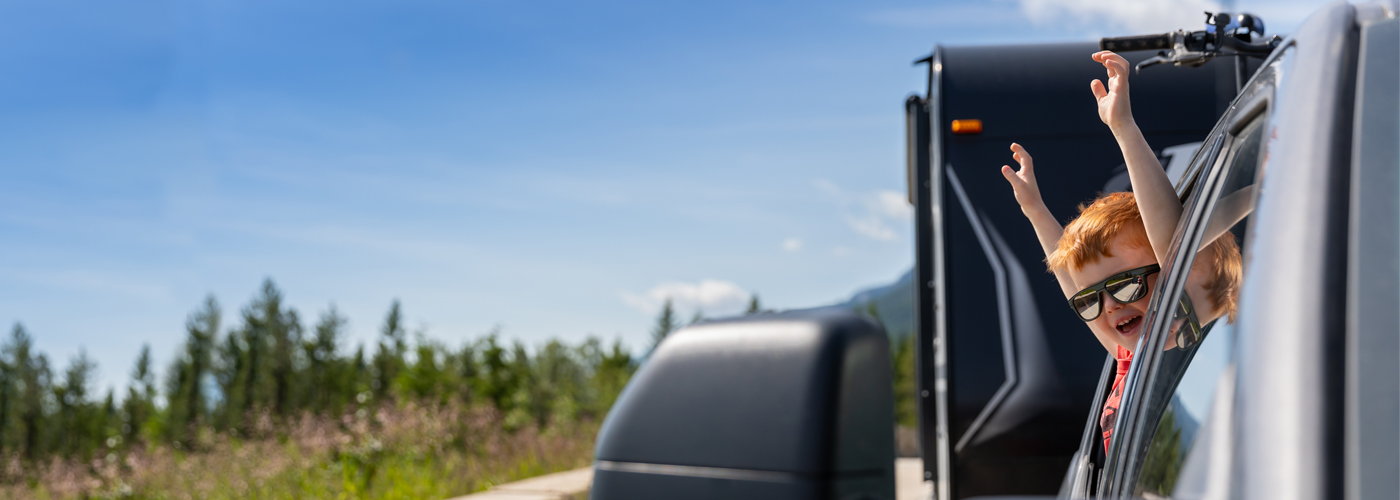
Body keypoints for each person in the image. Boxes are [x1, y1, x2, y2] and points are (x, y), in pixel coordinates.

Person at [998, 51, 1242, 454]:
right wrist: (1035, 211)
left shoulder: (1191, 330)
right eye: (1093, 301)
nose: (1108, 307)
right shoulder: (1131, 355)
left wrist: (1123, 128)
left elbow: (1173, 242)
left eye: (1126, 285)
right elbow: (1072, 281)